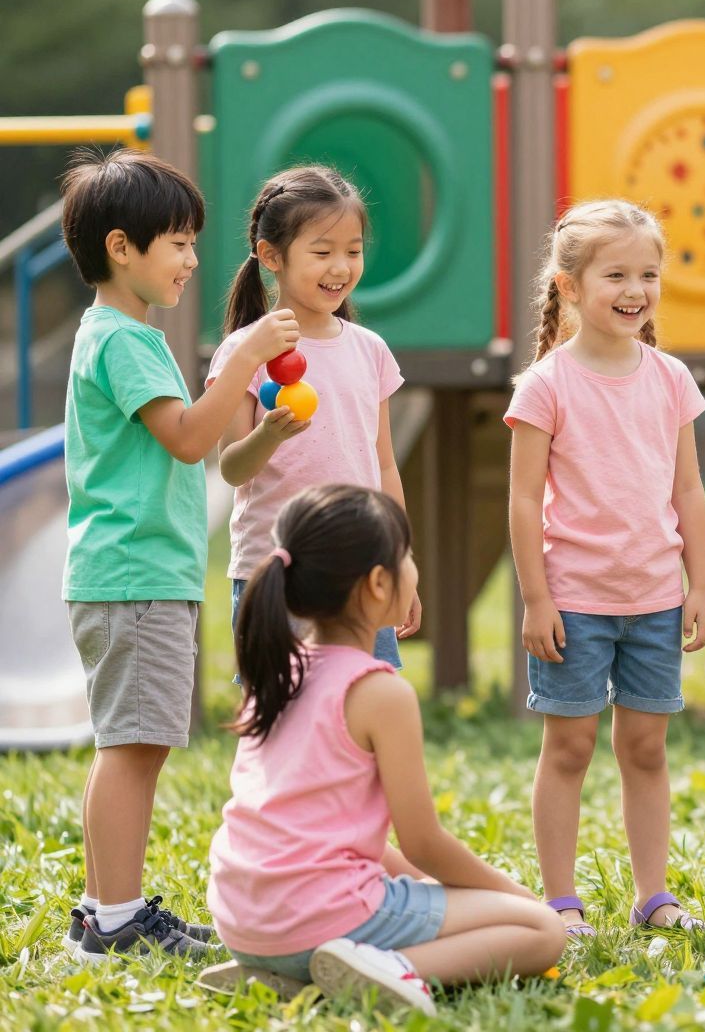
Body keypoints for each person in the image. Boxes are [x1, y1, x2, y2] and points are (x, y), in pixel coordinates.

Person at [58, 149, 297, 959]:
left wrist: (262, 430)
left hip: (135, 573)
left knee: (130, 745)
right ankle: (116, 922)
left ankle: (105, 909)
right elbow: (191, 439)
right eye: (178, 243)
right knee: (133, 748)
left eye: (195, 242)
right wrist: (244, 359)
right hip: (133, 576)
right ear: (121, 248)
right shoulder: (123, 342)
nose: (194, 260)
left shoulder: (127, 336)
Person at [207, 485, 563, 1014]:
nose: (413, 569)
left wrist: (423, 890)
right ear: (378, 583)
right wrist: (517, 896)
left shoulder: (279, 671)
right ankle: (394, 970)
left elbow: (343, 837)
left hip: (243, 919)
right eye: (408, 557)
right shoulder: (380, 692)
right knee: (542, 931)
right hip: (325, 915)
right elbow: (423, 841)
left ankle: (287, 976)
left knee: (434, 905)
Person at [507, 200, 705, 936]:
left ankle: (653, 897)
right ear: (567, 285)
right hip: (574, 600)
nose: (636, 289)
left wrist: (701, 587)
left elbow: (688, 489)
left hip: (655, 599)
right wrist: (536, 600)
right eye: (617, 274)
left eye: (649, 274)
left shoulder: (671, 380)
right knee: (570, 745)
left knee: (646, 747)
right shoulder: (546, 386)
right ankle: (561, 901)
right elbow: (525, 502)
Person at [214, 166, 415, 669]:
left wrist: (401, 561)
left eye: (353, 250)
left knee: (365, 707)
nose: (341, 267)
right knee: (278, 721)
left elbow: (384, 466)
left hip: (364, 568)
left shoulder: (371, 350)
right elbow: (232, 468)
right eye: (322, 252)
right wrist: (269, 434)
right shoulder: (247, 350)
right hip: (277, 569)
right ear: (271, 257)